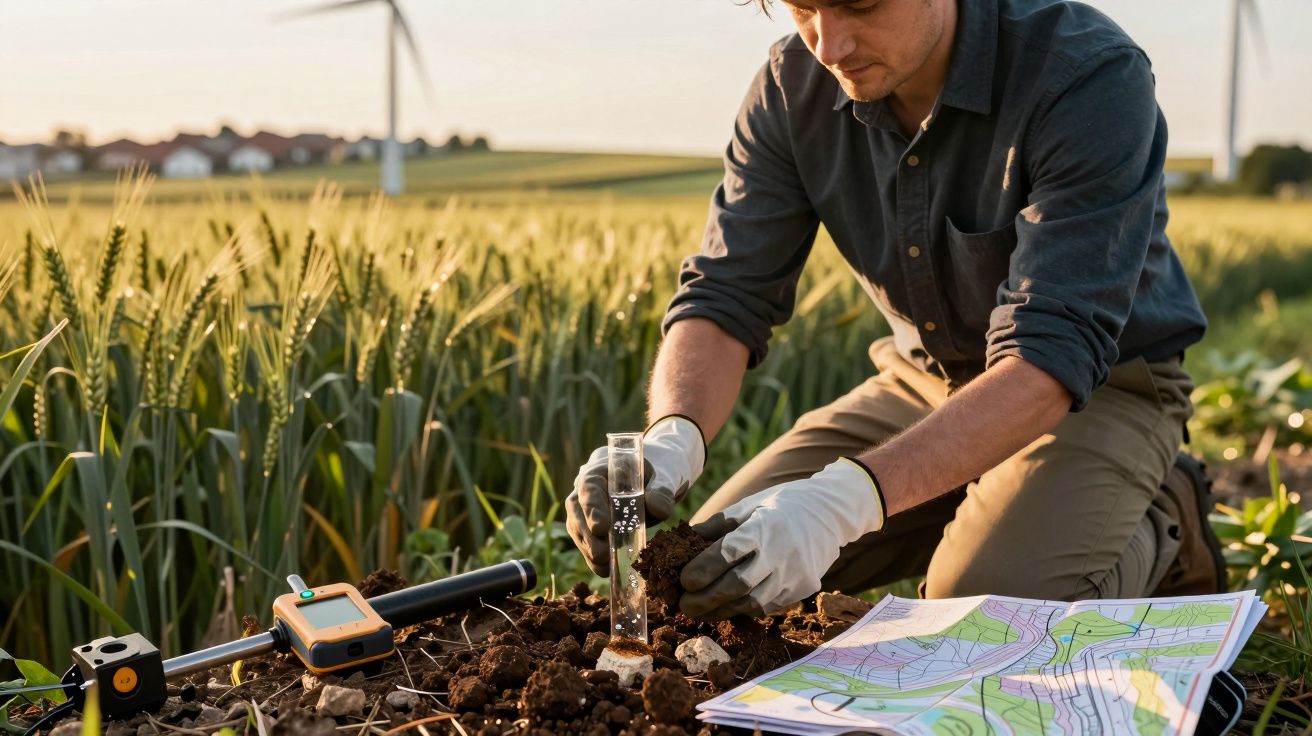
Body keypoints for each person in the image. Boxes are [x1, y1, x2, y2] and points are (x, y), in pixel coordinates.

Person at [566, 0, 1225, 620]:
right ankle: (972, 509)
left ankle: (1164, 519)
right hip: (922, 384)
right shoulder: (789, 89)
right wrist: (672, 438)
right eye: (803, 9)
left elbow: (1051, 353)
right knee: (708, 573)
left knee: (980, 616)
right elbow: (726, 292)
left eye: (860, 5)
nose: (829, 46)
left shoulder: (1085, 73)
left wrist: (840, 503)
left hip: (1093, 392)